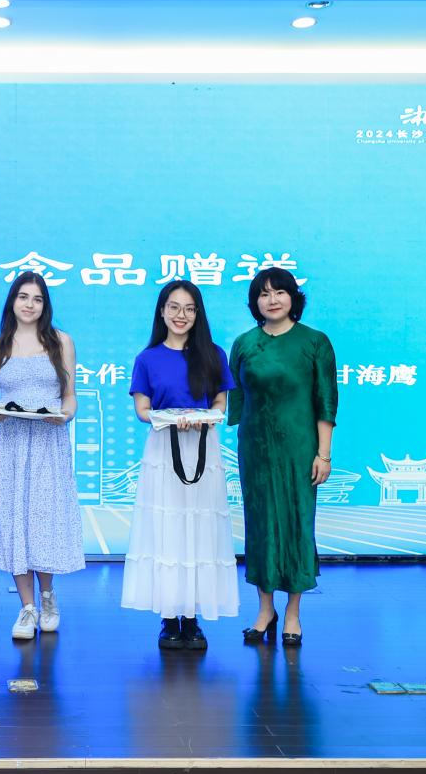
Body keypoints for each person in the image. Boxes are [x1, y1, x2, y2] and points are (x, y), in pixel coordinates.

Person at [121, 280, 239, 650]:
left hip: (203, 447)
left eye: (189, 308)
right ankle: (169, 617)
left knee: (200, 529)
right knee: (167, 528)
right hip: (163, 451)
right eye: (174, 307)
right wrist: (170, 417)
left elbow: (220, 404)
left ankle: (193, 618)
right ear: (162, 311)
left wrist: (201, 417)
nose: (181, 315)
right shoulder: (147, 358)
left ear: (198, 313)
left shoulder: (214, 354)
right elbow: (142, 409)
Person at [228, 268, 337, 646]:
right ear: (254, 302)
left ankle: (292, 612)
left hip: (300, 450)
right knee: (260, 526)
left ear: (293, 298)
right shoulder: (244, 343)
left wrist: (324, 454)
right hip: (255, 449)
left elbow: (325, 401)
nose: (272, 300)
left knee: (296, 524)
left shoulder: (315, 342)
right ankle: (264, 609)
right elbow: (233, 399)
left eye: (279, 292)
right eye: (263, 294)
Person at [0, 272, 84, 640]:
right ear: (12, 301)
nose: (29, 304)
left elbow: (69, 396)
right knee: (14, 519)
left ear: (45, 305)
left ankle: (47, 596)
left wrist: (64, 415)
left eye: (37, 299)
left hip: (47, 441)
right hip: (8, 443)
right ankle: (26, 607)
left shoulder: (61, 341)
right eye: (23, 297)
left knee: (44, 519)